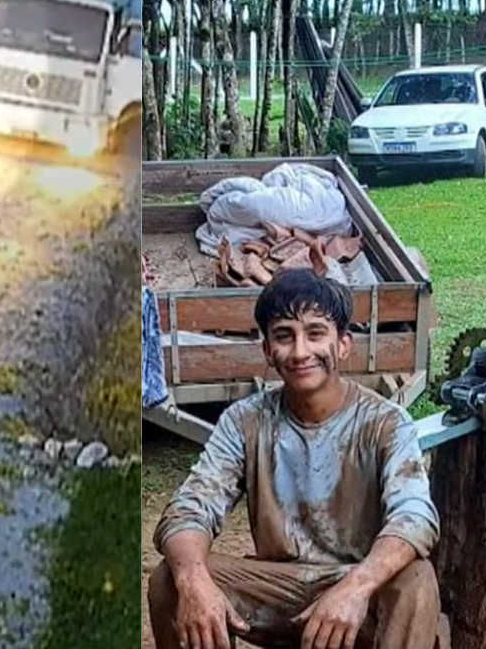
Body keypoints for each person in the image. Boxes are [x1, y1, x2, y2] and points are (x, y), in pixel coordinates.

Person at [148, 268, 440, 649]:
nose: (301, 351)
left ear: (343, 345)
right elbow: (189, 509)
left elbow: (415, 517)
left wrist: (355, 588)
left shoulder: (385, 422)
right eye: (285, 336)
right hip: (278, 591)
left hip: (358, 594)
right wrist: (194, 582)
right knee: (170, 580)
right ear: (268, 351)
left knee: (415, 581)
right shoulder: (245, 420)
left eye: (316, 333)